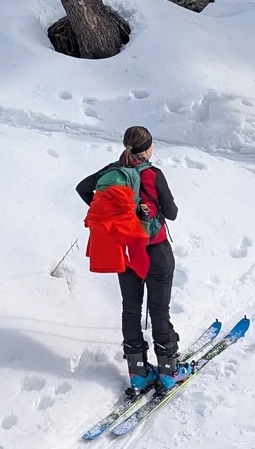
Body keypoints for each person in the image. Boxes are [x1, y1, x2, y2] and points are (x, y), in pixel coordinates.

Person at [77, 125, 183, 393]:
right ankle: (168, 371)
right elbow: (172, 213)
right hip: (155, 251)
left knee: (131, 309)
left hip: (125, 252)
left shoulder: (112, 171)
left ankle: (138, 372)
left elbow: (82, 188)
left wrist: (117, 217)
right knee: (159, 310)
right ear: (148, 147)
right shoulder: (152, 174)